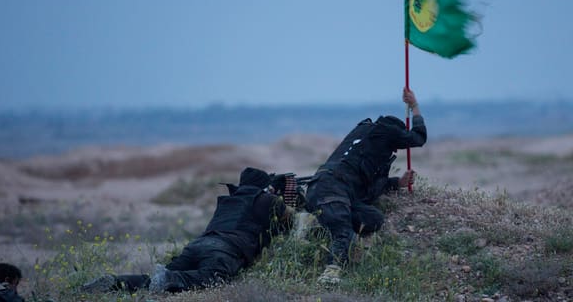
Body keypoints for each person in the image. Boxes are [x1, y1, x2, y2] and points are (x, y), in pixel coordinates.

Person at [82, 166, 292, 294]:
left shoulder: (230, 200)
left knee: (154, 280)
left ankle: (117, 282)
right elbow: (288, 220)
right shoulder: (266, 200)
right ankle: (171, 280)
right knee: (212, 280)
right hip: (224, 251)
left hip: (198, 245)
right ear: (264, 189)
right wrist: (277, 191)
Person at [305, 87, 427, 285]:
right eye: (396, 144)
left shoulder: (365, 132)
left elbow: (366, 186)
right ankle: (331, 273)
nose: (395, 149)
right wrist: (414, 106)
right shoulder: (386, 132)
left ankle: (318, 223)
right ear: (394, 134)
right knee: (343, 232)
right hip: (332, 188)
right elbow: (419, 137)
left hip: (326, 188)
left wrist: (398, 183)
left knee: (373, 218)